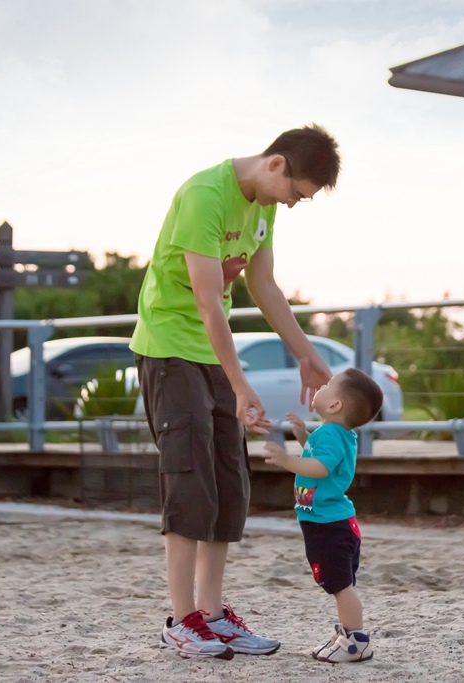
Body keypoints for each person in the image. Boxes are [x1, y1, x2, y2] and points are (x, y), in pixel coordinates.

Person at [130, 124, 340, 660]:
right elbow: (206, 303)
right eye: (297, 193)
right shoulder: (205, 196)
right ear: (276, 165)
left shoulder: (263, 208)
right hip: (169, 347)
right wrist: (241, 382)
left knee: (227, 481)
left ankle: (216, 617)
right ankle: (181, 621)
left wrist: (306, 353)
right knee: (188, 480)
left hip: (209, 354)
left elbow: (263, 286)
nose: (294, 204)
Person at [263, 367, 384, 664]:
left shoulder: (331, 432)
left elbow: (320, 468)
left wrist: (286, 460)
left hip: (328, 525)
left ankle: (355, 641)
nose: (322, 386)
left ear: (334, 405)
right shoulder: (337, 433)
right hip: (336, 523)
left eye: (329, 385)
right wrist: (303, 435)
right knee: (340, 583)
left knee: (341, 586)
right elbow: (318, 454)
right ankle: (346, 634)